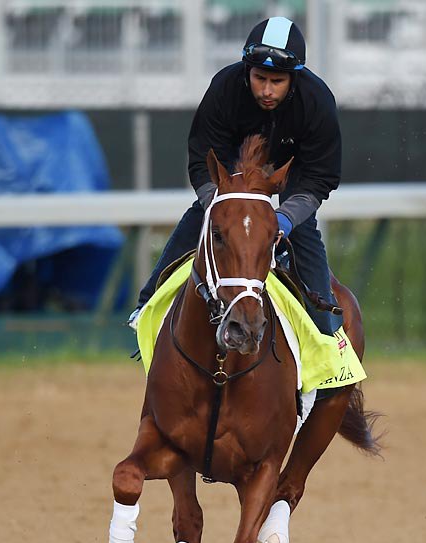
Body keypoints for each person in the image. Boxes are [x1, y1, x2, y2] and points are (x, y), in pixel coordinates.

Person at [132, 16, 342, 336]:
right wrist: (221, 203)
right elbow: (203, 161)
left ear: (294, 80)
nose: (267, 91)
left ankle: (326, 332)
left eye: (277, 81)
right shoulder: (225, 88)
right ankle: (147, 306)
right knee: (202, 219)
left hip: (293, 176)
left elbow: (319, 177)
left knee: (303, 232)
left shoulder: (317, 101)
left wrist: (284, 219)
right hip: (234, 174)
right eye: (260, 78)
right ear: (247, 71)